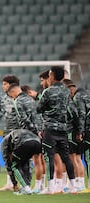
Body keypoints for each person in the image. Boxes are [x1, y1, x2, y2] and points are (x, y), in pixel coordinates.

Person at [36, 66, 77, 194]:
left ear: (52, 75)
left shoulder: (47, 92)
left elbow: (39, 109)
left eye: (49, 74)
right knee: (66, 158)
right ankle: (73, 186)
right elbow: (73, 112)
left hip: (50, 129)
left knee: (49, 158)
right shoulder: (66, 91)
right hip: (63, 130)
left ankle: (51, 187)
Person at [63, 79, 89, 192]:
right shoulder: (85, 94)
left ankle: (79, 184)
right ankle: (80, 183)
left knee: (74, 158)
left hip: (76, 131)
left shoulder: (76, 98)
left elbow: (79, 115)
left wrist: (80, 131)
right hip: (79, 130)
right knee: (78, 158)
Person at [0, 129, 42, 195]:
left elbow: (9, 165)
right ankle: (29, 186)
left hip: (24, 143)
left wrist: (14, 184)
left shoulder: (3, 146)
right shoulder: (11, 141)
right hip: (37, 142)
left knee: (14, 166)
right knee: (26, 163)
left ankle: (26, 188)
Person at [0, 75, 20, 192]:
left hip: (19, 132)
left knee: (21, 159)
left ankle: (23, 182)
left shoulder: (20, 98)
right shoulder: (4, 98)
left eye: (5, 84)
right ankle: (10, 183)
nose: (3, 86)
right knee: (8, 158)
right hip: (7, 132)